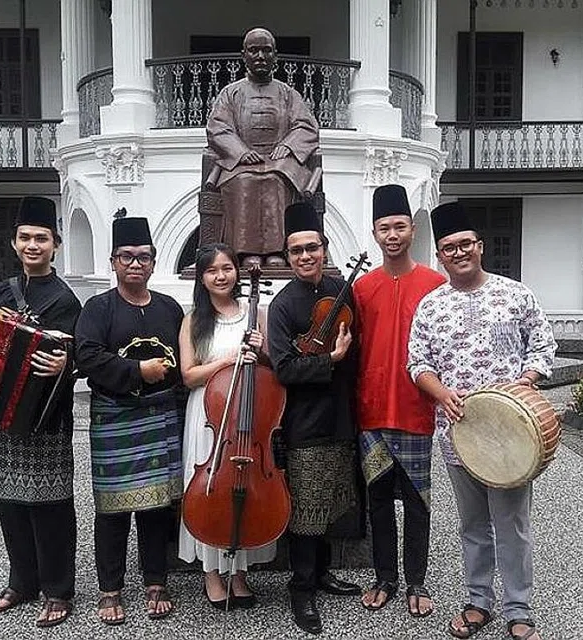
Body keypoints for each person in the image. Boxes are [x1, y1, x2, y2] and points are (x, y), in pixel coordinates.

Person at [406, 201, 556, 640]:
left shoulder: (516, 294)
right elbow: (418, 363)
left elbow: (542, 344)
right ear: (440, 255)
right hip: (459, 435)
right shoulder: (431, 306)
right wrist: (441, 393)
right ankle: (477, 601)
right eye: (449, 247)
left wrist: (526, 381)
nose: (458, 253)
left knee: (512, 524)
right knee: (472, 524)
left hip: (512, 436)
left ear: (481, 246)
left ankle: (518, 607)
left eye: (465, 244)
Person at [75, 216, 185, 625]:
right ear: (113, 262)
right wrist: (138, 371)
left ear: (154, 262)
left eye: (143, 257)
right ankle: (111, 588)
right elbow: (86, 357)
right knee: (112, 510)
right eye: (127, 257)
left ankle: (156, 580)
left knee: (157, 506)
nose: (135, 264)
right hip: (115, 417)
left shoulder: (169, 308)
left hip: (159, 417)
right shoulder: (98, 308)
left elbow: (184, 360)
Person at [0, 196, 82, 629]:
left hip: (46, 420)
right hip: (6, 415)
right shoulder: (5, 290)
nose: (32, 245)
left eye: (41, 238)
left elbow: (79, 357)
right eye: (25, 238)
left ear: (55, 245)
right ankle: (21, 582)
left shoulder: (66, 300)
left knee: (51, 506)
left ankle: (58, 590)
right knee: (12, 505)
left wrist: (65, 364)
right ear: (15, 242)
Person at [267, 201, 362, 635]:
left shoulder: (343, 289)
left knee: (330, 502)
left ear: (324, 249)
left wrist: (347, 356)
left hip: (340, 415)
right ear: (288, 258)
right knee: (306, 508)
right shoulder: (284, 305)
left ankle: (322, 573)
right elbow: (284, 368)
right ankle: (301, 588)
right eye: (296, 251)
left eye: (312, 248)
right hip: (304, 422)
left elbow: (357, 349)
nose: (306, 256)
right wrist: (332, 359)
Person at [353, 185, 446, 618]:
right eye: (384, 228)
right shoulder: (362, 287)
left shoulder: (435, 284)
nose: (392, 235)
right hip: (371, 410)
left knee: (417, 501)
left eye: (399, 226)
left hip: (415, 409)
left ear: (411, 229)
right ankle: (384, 577)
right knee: (377, 502)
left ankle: (416, 581)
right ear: (374, 233)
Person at [176, 243, 276, 608]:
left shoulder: (256, 313)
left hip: (249, 417)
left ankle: (240, 573)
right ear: (201, 278)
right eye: (212, 270)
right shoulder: (193, 320)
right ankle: (212, 574)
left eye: (227, 268)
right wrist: (230, 358)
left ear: (236, 272)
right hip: (208, 416)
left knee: (246, 490)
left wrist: (261, 351)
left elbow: (268, 366)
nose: (221, 276)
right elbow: (188, 375)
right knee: (210, 488)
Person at [207, 27, 320, 268]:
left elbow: (307, 126)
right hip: (241, 163)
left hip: (279, 161)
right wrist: (239, 150)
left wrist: (288, 146)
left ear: (275, 57)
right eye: (254, 50)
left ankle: (277, 251)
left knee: (276, 179)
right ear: (244, 55)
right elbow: (217, 127)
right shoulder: (230, 93)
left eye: (266, 50)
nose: (260, 56)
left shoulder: (288, 94)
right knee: (245, 180)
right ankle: (247, 251)